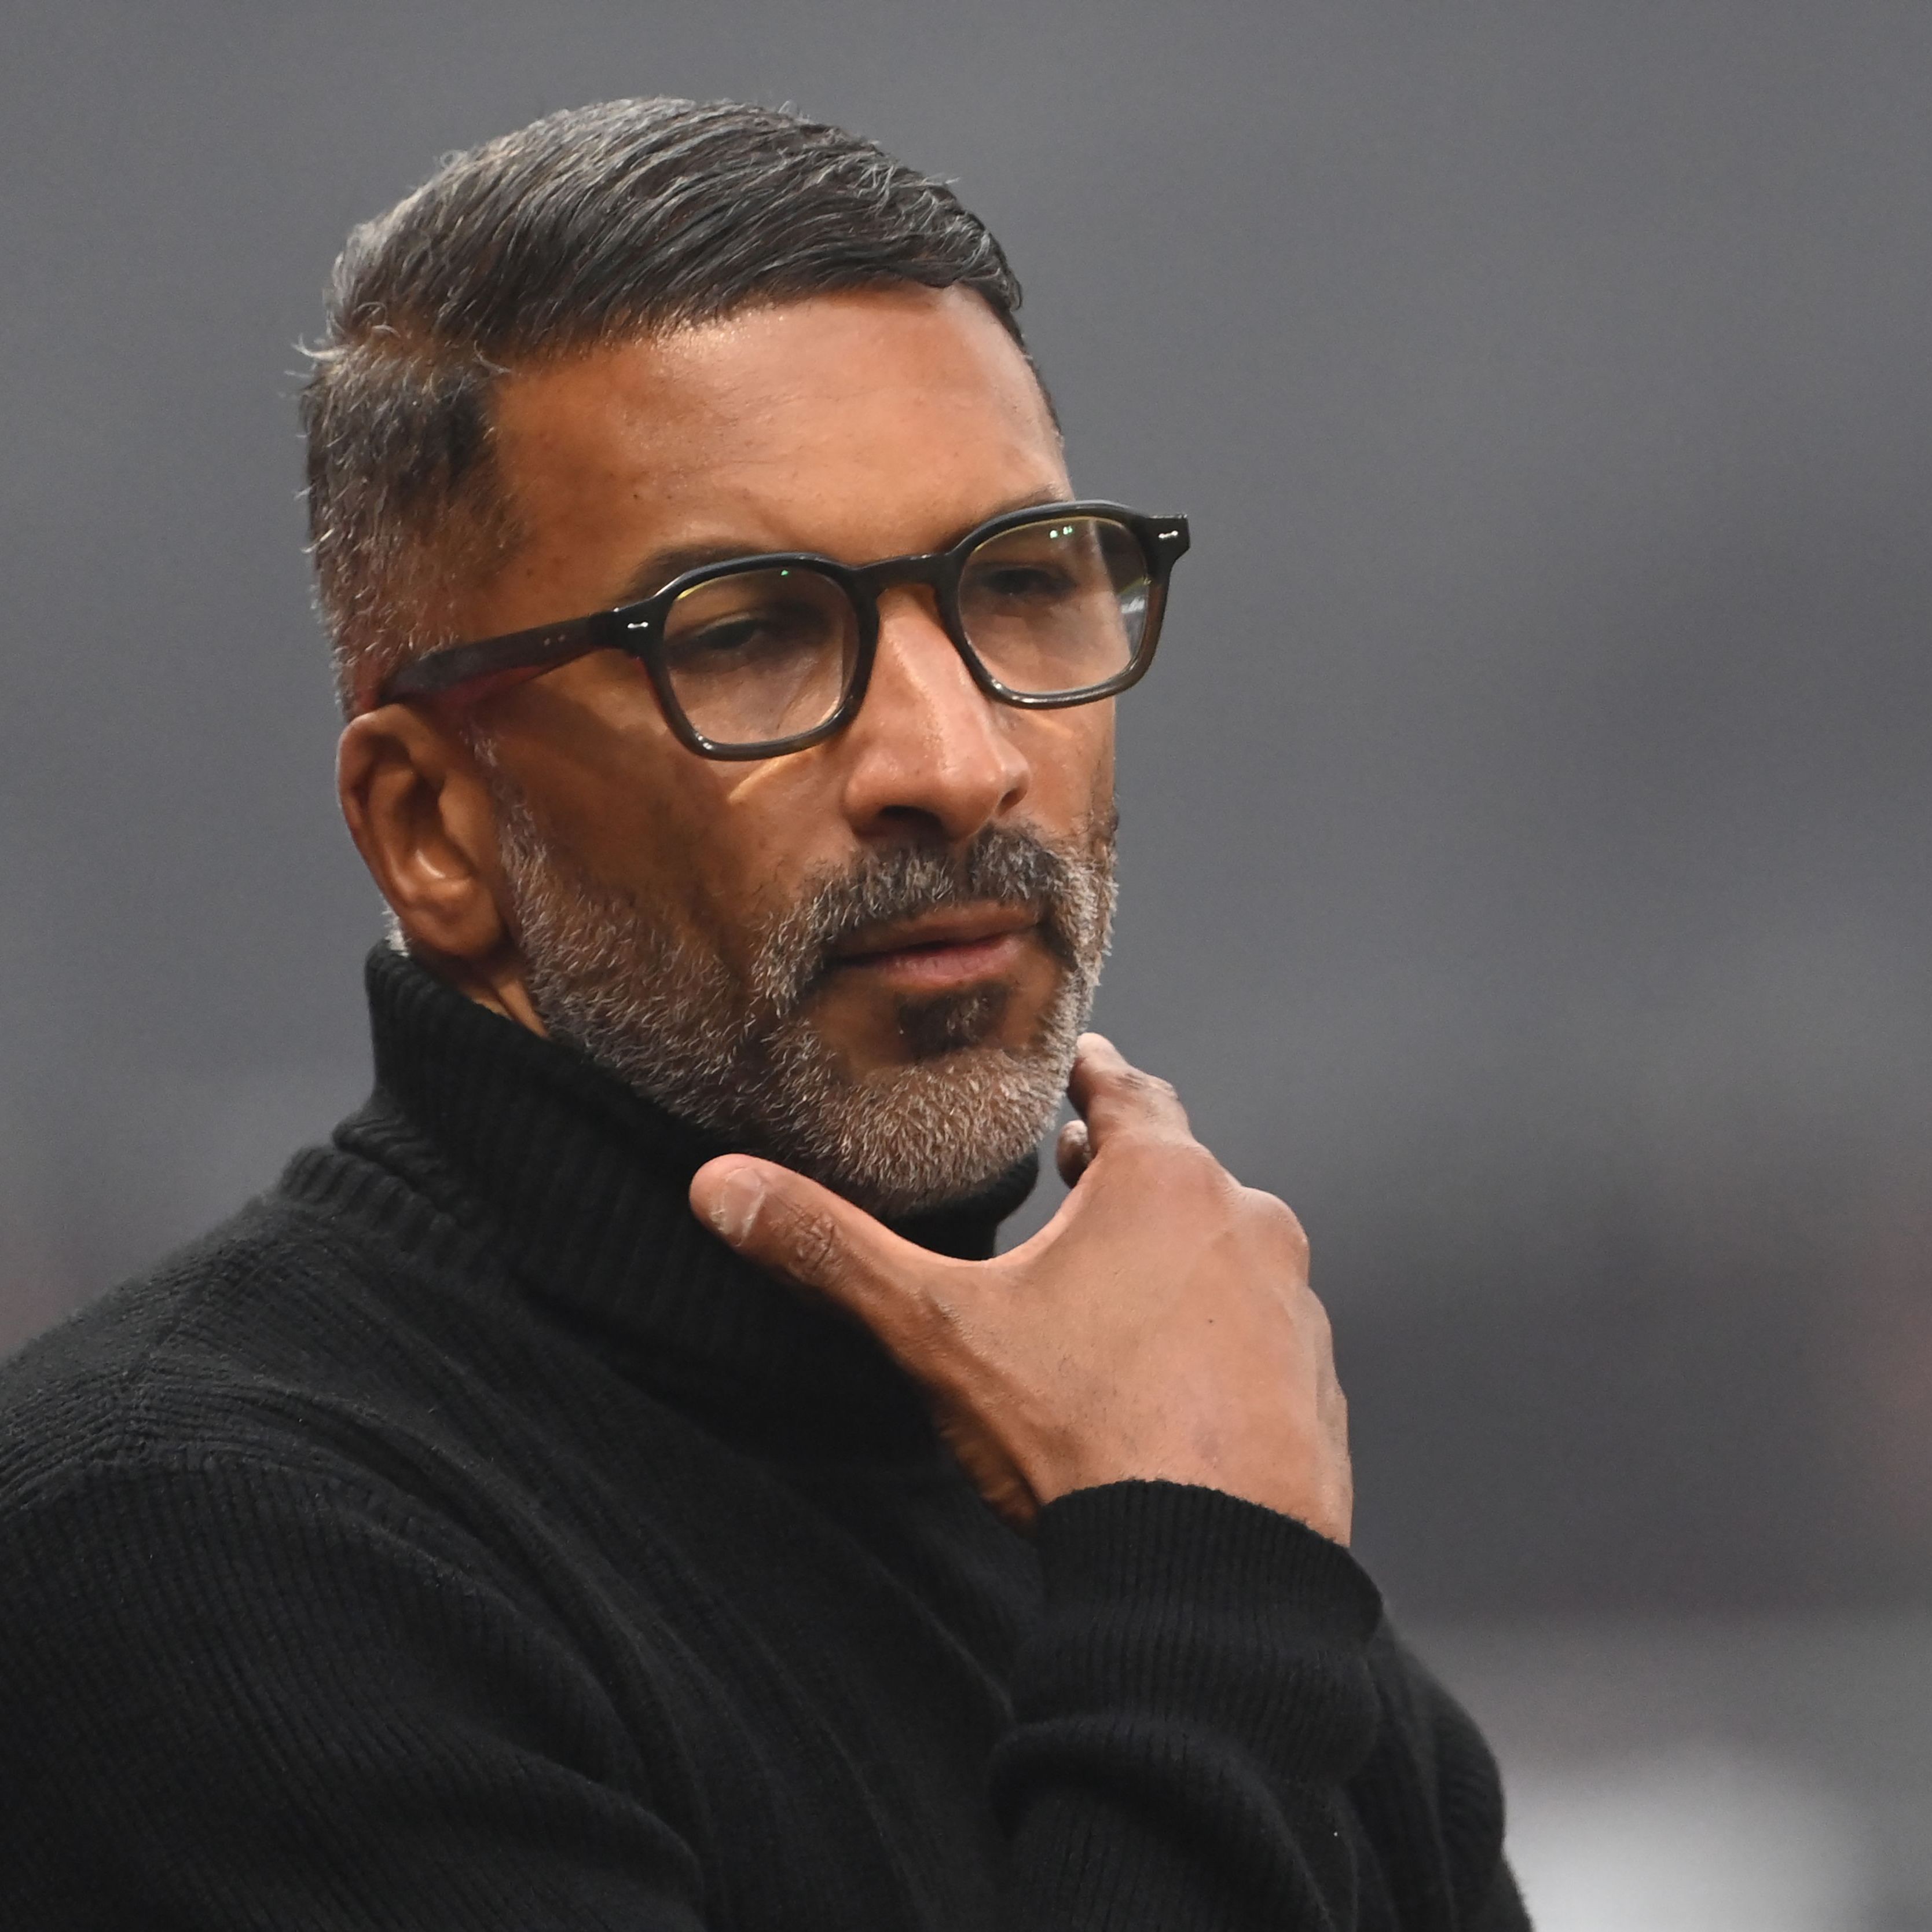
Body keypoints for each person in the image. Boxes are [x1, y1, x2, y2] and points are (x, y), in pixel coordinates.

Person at [0, 98, 1527, 1929]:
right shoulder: (187, 1554)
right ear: (434, 828)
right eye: (743, 635)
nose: (954, 761)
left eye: (1021, 586)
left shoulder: (1192, 1564)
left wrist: (1199, 1586)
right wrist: (1196, 1608)